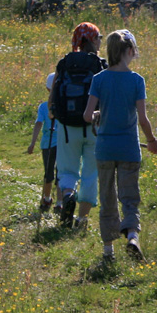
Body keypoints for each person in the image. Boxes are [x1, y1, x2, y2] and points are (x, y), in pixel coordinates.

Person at [83, 29, 157, 261]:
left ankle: (108, 251)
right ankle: (132, 236)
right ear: (128, 51)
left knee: (107, 198)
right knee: (129, 197)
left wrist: (97, 114)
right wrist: (152, 141)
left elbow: (87, 115)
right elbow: (143, 119)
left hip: (105, 149)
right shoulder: (137, 80)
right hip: (128, 148)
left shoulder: (99, 79)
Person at [49, 21, 107, 230]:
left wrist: (54, 113)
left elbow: (53, 98)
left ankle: (68, 194)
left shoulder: (65, 63)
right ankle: (82, 219)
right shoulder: (100, 65)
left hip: (66, 127)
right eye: (99, 37)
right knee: (91, 172)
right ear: (92, 39)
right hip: (94, 126)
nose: (101, 41)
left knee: (67, 169)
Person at [28, 73, 62, 213]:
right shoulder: (45, 107)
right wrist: (32, 143)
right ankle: (50, 199)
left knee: (54, 173)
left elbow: (38, 125)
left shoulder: (44, 107)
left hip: (54, 143)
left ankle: (53, 200)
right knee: (55, 173)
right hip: (58, 143)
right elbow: (39, 123)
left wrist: (32, 143)